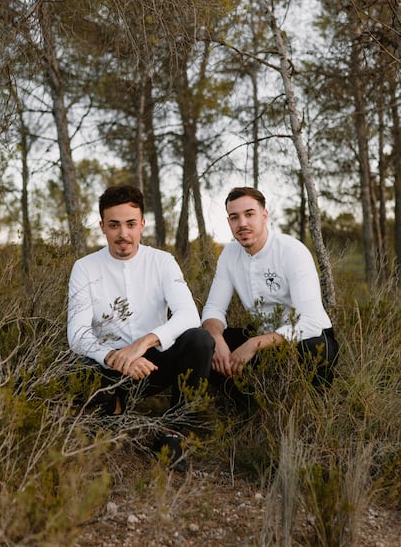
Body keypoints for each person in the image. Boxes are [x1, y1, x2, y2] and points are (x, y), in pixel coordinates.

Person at [67, 184, 214, 469]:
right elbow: (77, 333)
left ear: (142, 225)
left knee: (200, 340)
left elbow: (188, 315)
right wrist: (114, 358)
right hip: (109, 369)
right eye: (114, 225)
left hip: (154, 365)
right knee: (78, 362)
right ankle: (114, 408)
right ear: (102, 227)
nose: (123, 234)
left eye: (131, 224)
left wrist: (142, 345)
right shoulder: (84, 267)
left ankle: (174, 430)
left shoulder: (162, 262)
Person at [202, 186, 339, 405]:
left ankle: (310, 412)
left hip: (307, 338)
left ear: (264, 215)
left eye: (249, 214)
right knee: (201, 345)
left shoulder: (292, 251)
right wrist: (216, 339)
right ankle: (249, 407)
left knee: (314, 349)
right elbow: (214, 309)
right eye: (234, 217)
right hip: (263, 336)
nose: (242, 223)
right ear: (229, 222)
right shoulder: (229, 254)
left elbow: (311, 322)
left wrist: (254, 344)